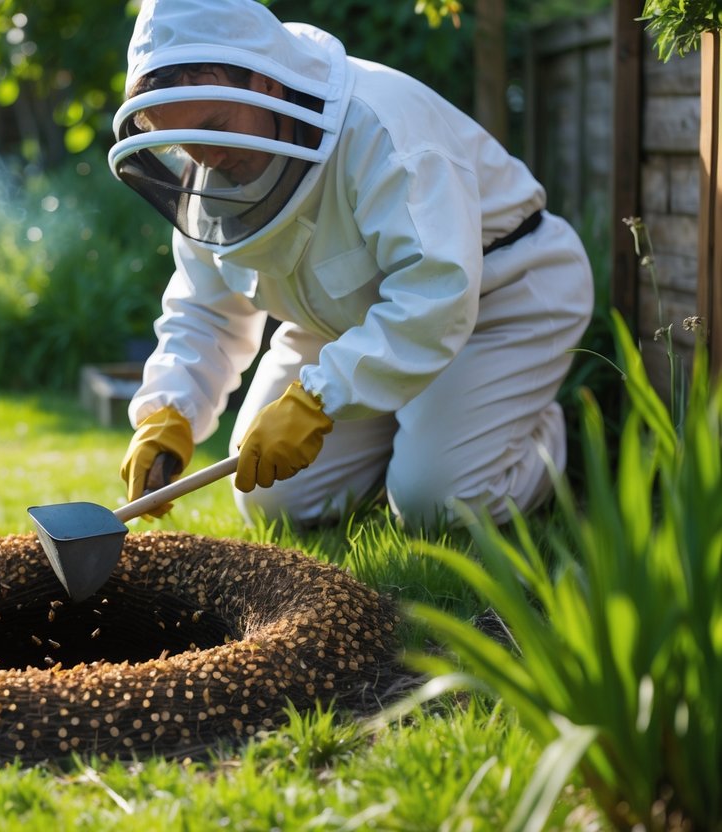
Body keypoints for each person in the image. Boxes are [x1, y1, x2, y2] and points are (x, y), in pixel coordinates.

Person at [109, 0, 594, 529]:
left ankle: (529, 435)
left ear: (266, 82)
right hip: (345, 324)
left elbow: (435, 290)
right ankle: (421, 440)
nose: (206, 158)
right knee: (273, 501)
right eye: (186, 142)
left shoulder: (382, 127)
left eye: (216, 125)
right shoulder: (209, 170)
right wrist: (168, 411)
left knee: (437, 504)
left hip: (502, 294)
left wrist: (322, 396)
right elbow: (206, 308)